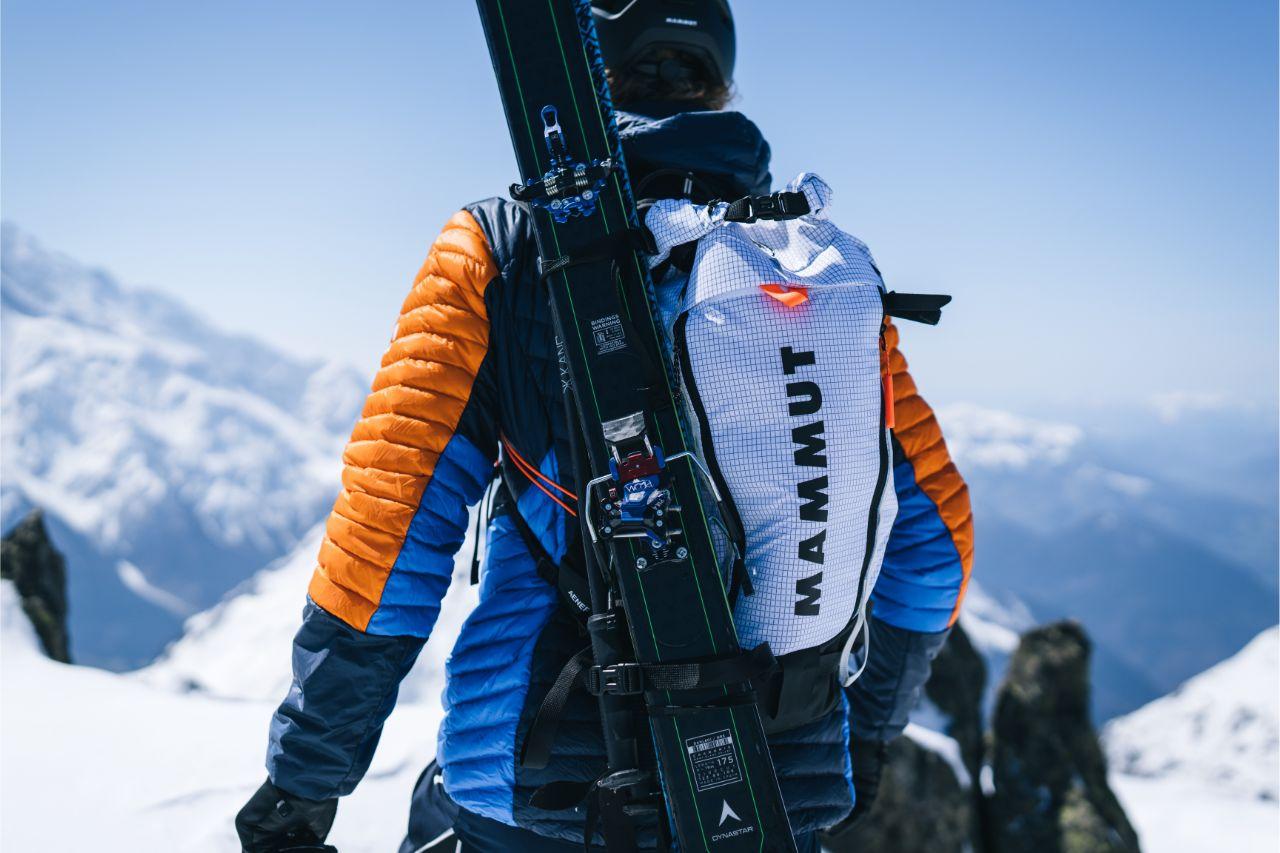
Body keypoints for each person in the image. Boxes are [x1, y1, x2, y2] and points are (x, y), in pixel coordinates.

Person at [234, 2, 973, 851]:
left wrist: (305, 780)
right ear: (721, 85)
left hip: (549, 785)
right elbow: (936, 542)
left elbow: (389, 529)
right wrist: (865, 737)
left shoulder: (500, 249)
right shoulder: (809, 270)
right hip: (772, 790)